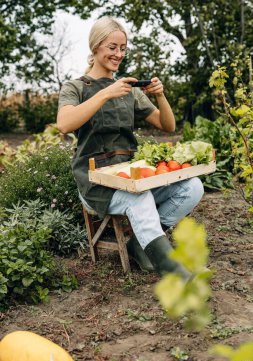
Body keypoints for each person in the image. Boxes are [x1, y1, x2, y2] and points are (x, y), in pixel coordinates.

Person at [57, 16, 204, 280]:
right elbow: (64, 124)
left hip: (130, 174)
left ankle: (141, 244)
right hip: (95, 182)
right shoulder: (76, 87)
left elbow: (166, 125)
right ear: (96, 47)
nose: (118, 54)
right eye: (112, 47)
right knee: (140, 197)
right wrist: (106, 92)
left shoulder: (129, 90)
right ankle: (173, 270)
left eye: (123, 48)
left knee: (192, 187)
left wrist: (160, 94)